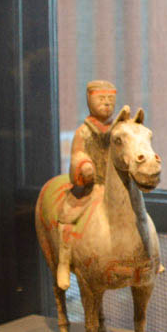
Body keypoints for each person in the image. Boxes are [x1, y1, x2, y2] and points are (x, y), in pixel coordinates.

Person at [56, 80, 117, 290]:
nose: (107, 104)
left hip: (115, 186)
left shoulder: (119, 130)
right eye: (102, 99)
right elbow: (77, 155)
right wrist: (84, 166)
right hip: (93, 187)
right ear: (90, 100)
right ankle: (64, 263)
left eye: (110, 100)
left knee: (138, 211)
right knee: (67, 215)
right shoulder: (83, 132)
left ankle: (148, 256)